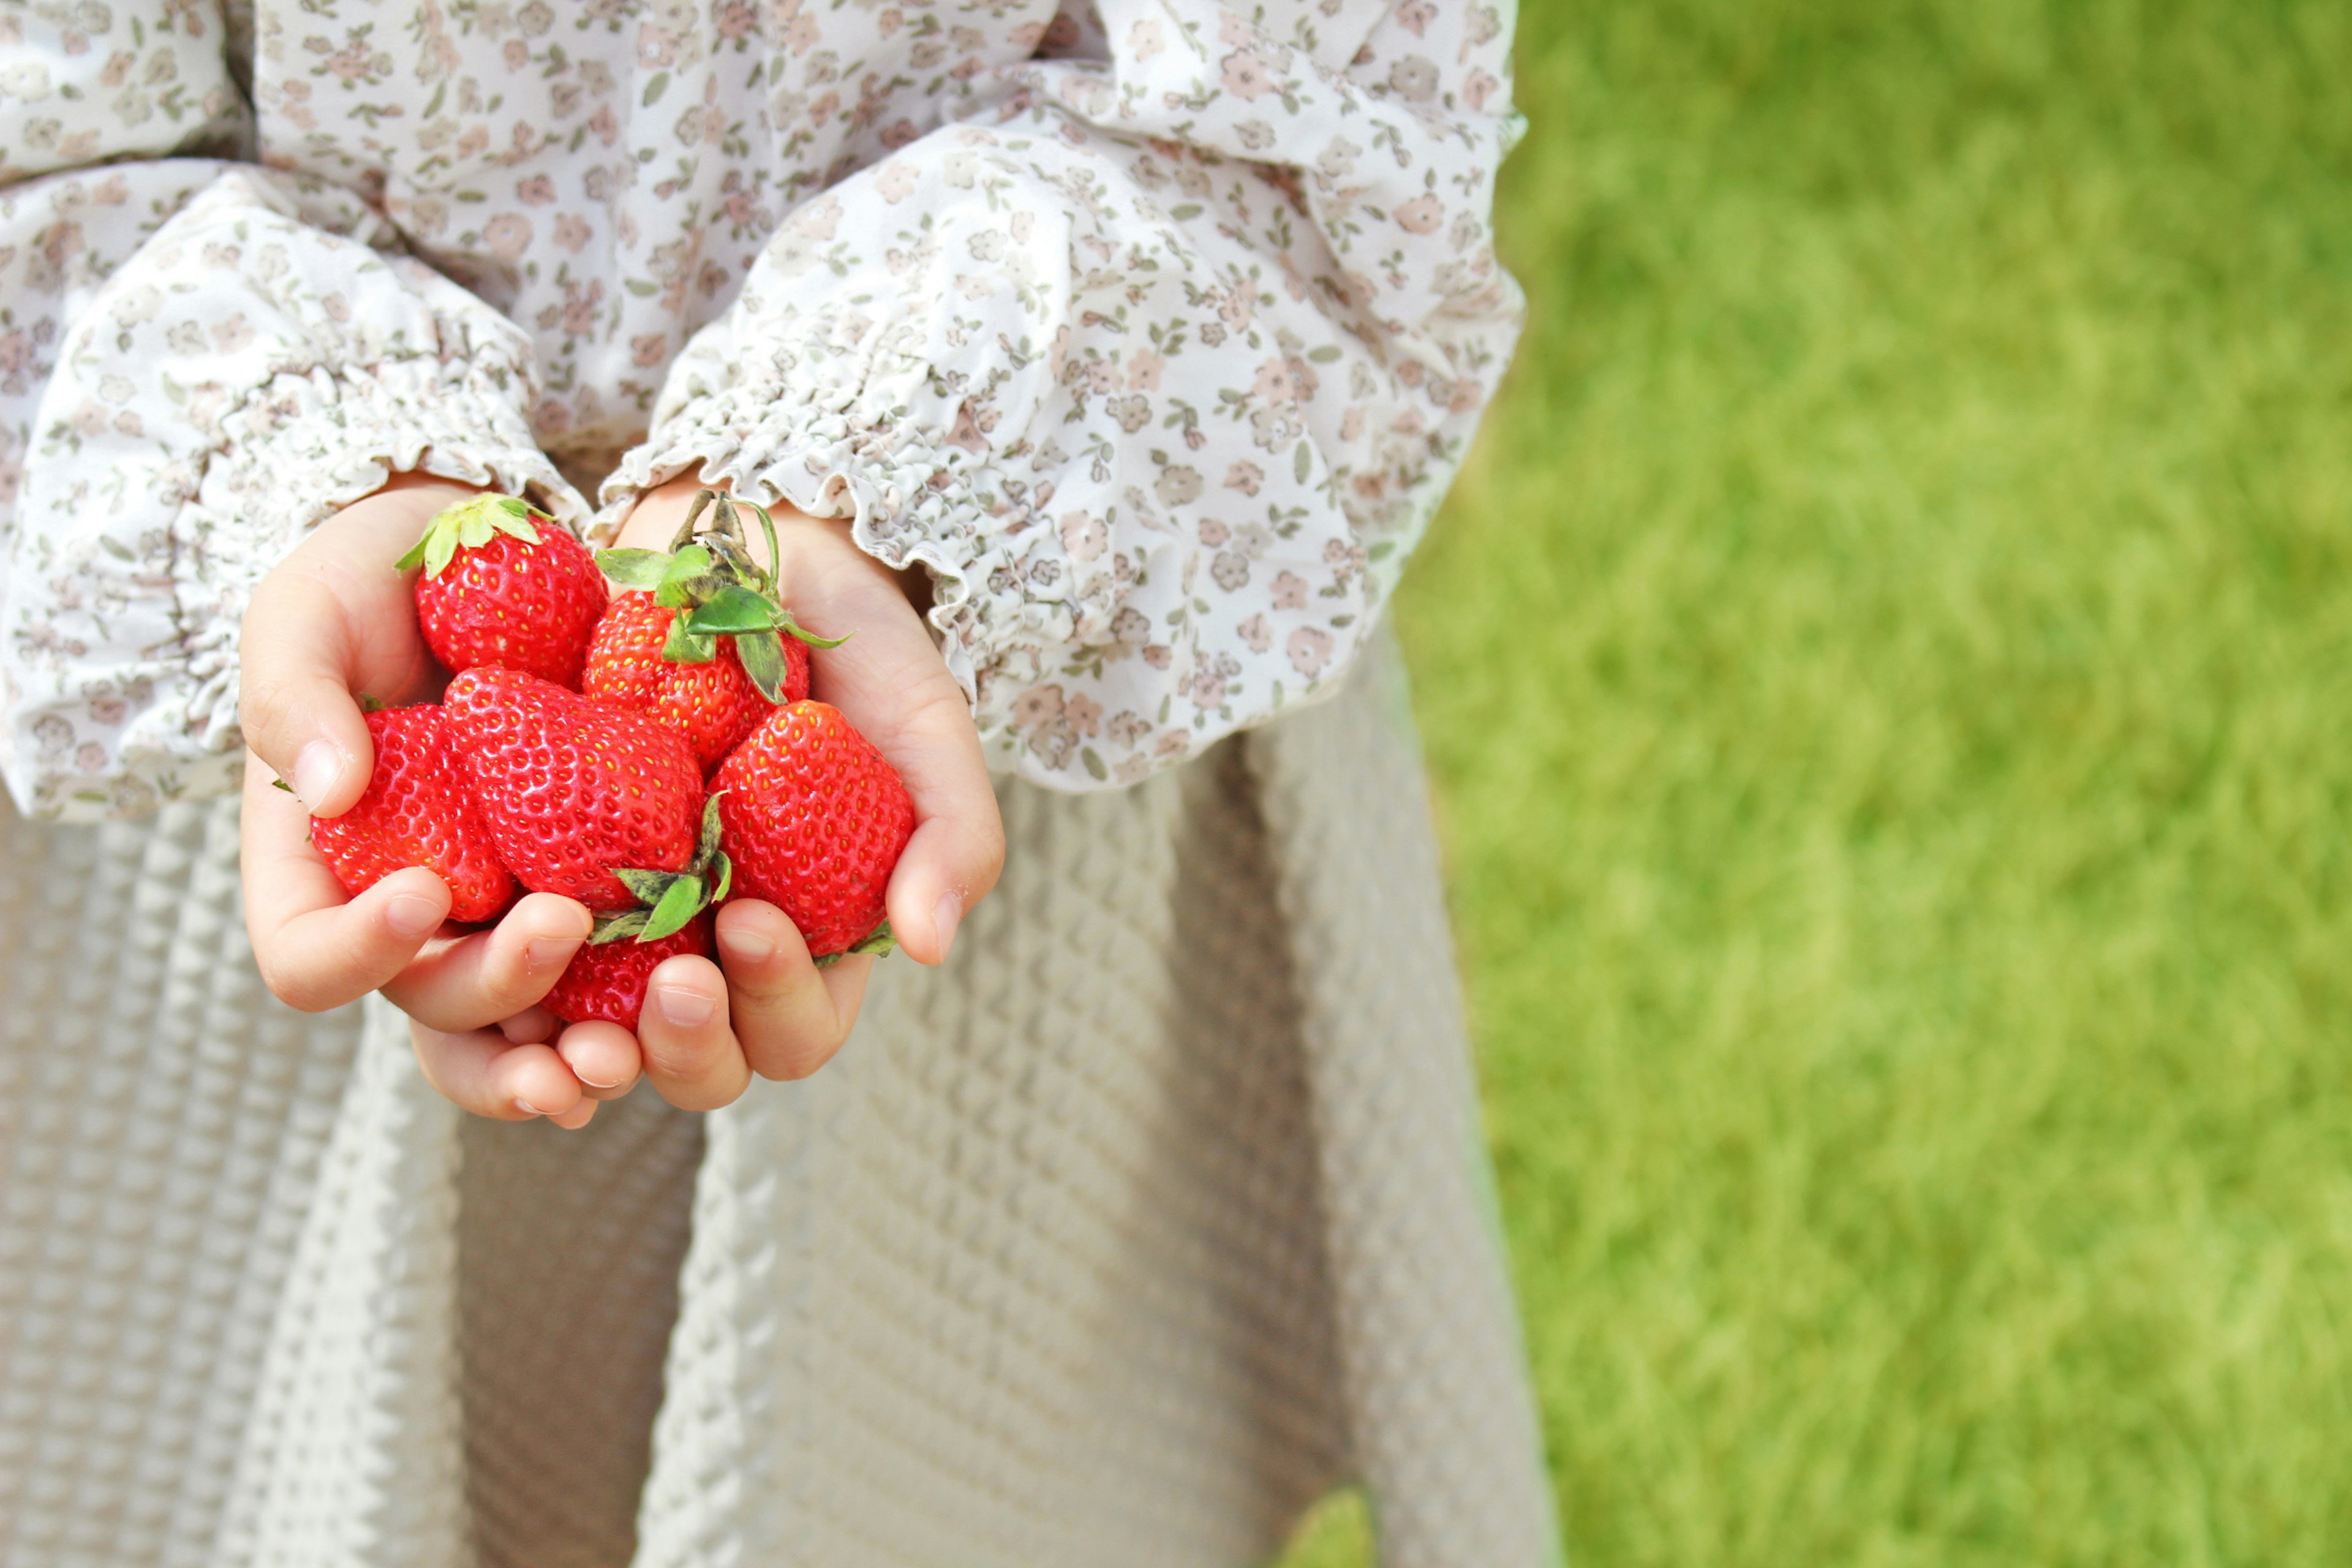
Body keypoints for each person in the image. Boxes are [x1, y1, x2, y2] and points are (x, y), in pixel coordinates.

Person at [0, 1, 1558, 1564]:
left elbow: (1291, 109)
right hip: (274, 674)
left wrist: (869, 467)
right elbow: (45, 129)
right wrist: (309, 466)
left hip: (998, 581)